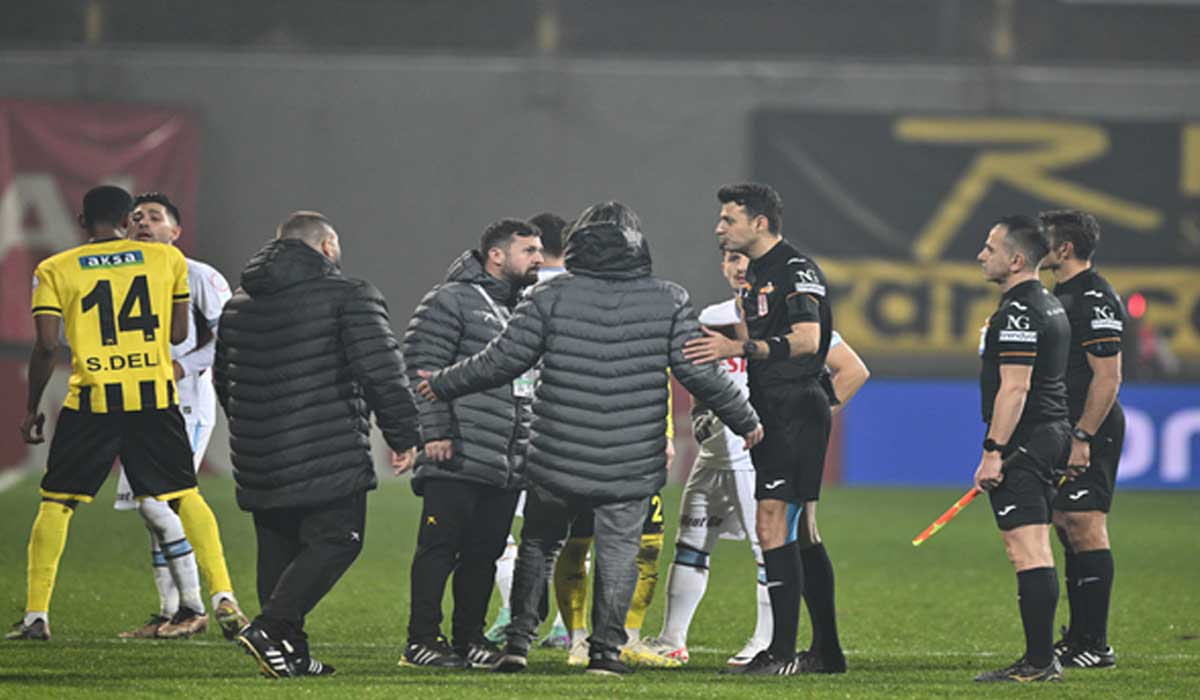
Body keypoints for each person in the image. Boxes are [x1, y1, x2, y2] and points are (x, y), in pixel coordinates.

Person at [417, 201, 762, 677]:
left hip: (556, 452)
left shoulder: (549, 298)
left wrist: (443, 382)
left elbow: (502, 360)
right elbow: (697, 372)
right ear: (638, 250)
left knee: (540, 542)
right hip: (629, 461)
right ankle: (604, 653)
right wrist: (745, 419)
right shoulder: (668, 299)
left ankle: (517, 644)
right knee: (618, 550)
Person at [214, 211, 420, 678]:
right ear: (326, 246)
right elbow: (381, 371)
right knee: (337, 540)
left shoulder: (239, 303)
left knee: (280, 546)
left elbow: (225, 379)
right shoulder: (350, 295)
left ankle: (292, 651)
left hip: (258, 449)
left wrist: (254, 428)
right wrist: (403, 433)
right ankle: (269, 628)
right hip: (326, 447)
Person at [641, 247, 869, 669]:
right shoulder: (711, 317)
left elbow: (852, 368)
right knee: (691, 542)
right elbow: (697, 374)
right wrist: (702, 415)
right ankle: (673, 638)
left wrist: (814, 412)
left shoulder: (782, 315)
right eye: (729, 259)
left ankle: (767, 642)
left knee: (772, 543)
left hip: (760, 450)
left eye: (743, 260)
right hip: (713, 456)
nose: (737, 267)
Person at [8, 186, 207, 642]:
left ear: (81, 221)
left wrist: (32, 407)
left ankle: (38, 614)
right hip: (154, 398)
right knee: (178, 499)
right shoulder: (166, 262)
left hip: (95, 399)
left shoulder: (56, 267)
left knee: (57, 503)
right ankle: (215, 600)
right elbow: (183, 333)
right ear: (127, 219)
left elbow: (45, 345)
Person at [682, 183, 841, 675]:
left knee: (773, 523)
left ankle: (780, 652)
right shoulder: (756, 275)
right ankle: (826, 652)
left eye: (729, 219)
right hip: (774, 406)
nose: (719, 228)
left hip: (795, 406)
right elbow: (768, 335)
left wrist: (736, 350)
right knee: (804, 533)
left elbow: (809, 339)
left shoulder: (795, 270)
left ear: (760, 222)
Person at [400, 219, 544, 669]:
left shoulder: (526, 307)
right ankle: (421, 639)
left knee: (484, 552)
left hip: (507, 455)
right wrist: (435, 431)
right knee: (439, 549)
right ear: (497, 255)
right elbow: (420, 368)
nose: (539, 258)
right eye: (529, 250)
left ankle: (470, 639)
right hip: (457, 447)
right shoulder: (451, 299)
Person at [112, 192, 248, 641]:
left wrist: (180, 367)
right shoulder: (121, 274)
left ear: (176, 231)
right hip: (135, 405)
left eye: (155, 217)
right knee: (151, 513)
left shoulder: (200, 275)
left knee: (159, 501)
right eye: (136, 218)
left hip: (183, 403)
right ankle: (169, 612)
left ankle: (198, 605)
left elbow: (227, 338)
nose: (143, 224)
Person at [971, 215, 1070, 682]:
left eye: (990, 248)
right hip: (1047, 434)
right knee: (1034, 548)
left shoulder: (1018, 312)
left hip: (1027, 440)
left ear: (1015, 259)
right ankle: (1040, 658)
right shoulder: (1046, 304)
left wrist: (994, 449)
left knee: (1027, 550)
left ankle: (1037, 663)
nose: (981, 255)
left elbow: (1015, 388)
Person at [1041, 210, 1124, 669]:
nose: (1039, 245)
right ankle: (1078, 639)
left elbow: (1108, 377)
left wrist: (1082, 435)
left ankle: (1096, 643)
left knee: (1087, 526)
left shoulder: (1093, 298)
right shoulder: (1066, 294)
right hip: (1068, 426)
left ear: (1065, 249)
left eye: (1046, 239)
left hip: (1090, 428)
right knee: (1067, 525)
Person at [486, 211, 572, 649]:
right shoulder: (584, 293)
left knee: (508, 527)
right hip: (568, 426)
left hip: (516, 421)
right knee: (569, 532)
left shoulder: (516, 292)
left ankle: (512, 611)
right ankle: (565, 621)